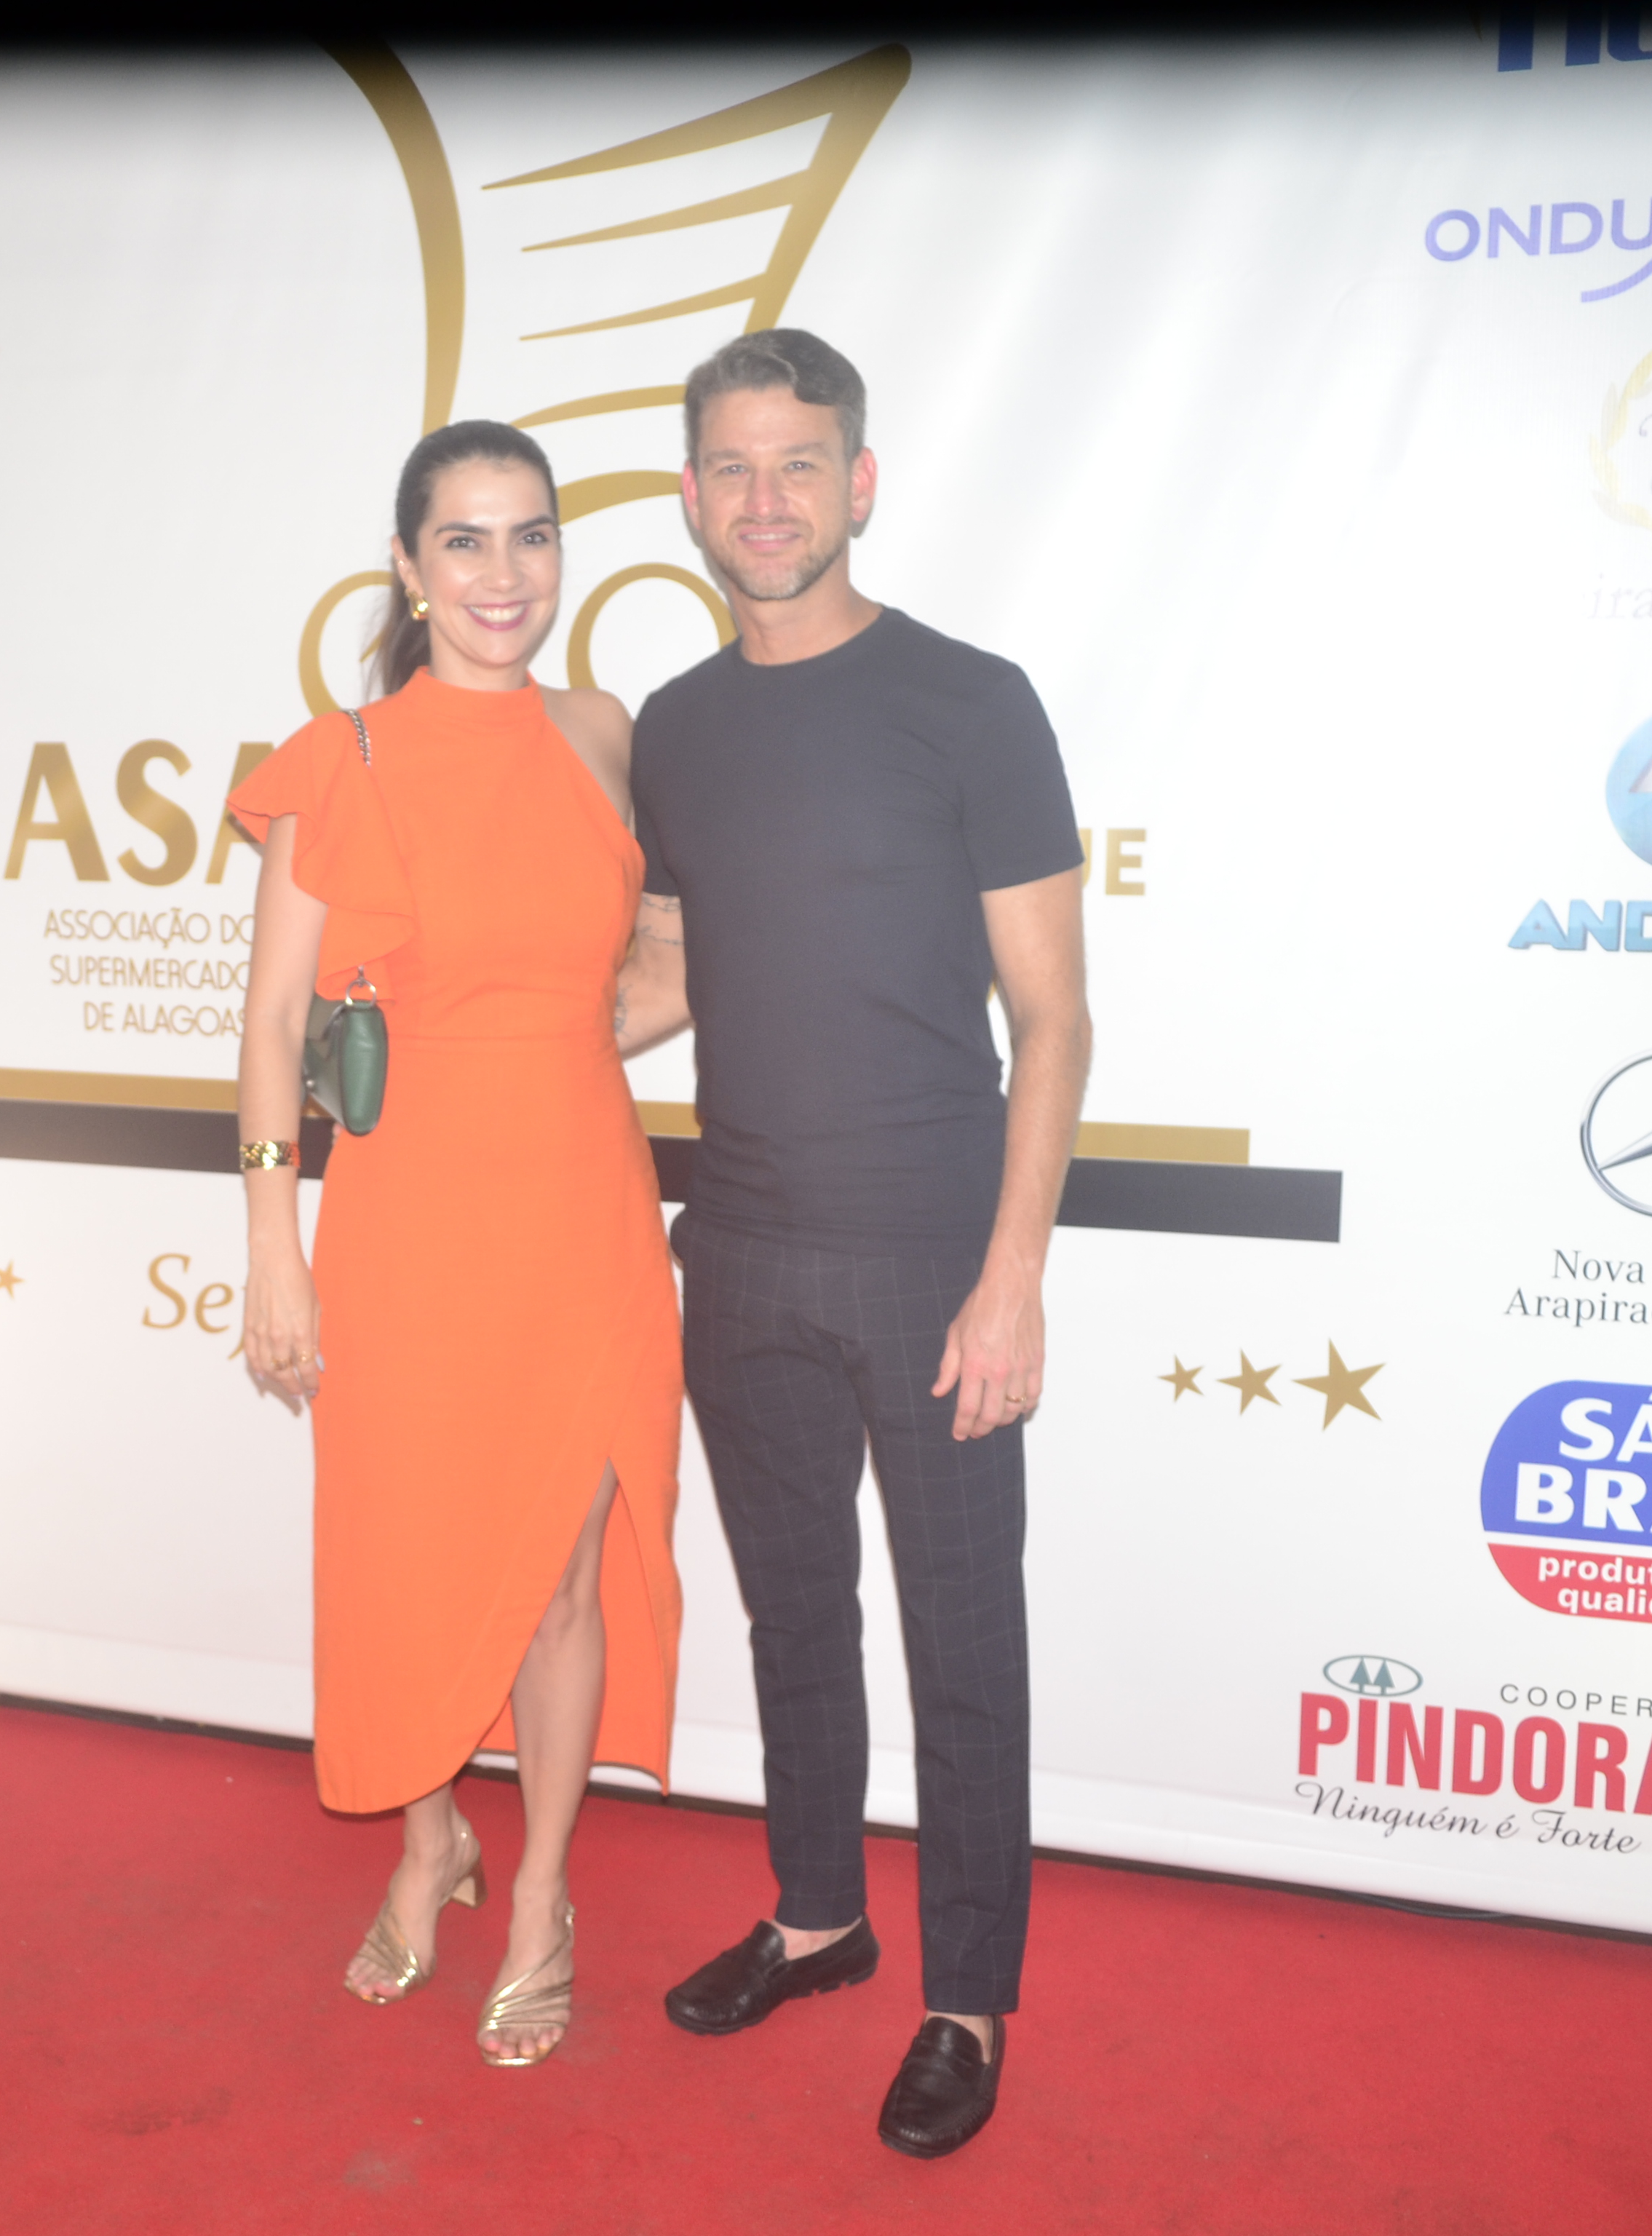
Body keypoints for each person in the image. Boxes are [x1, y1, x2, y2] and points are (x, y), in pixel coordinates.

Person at [614, 330, 1090, 2158]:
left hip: (932, 1257)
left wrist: (1013, 1274)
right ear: (691, 498)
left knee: (966, 1644)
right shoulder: (675, 727)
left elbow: (1054, 1020)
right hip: (736, 1248)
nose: (767, 499)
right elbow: (669, 969)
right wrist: (489, 1041)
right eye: (734, 468)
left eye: (799, 463)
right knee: (793, 1613)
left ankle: (966, 1998)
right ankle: (819, 1919)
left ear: (860, 483)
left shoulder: (973, 702)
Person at [229, 420, 684, 2068]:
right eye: (468, 541)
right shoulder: (339, 757)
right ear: (410, 570)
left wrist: (539, 1045)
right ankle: (433, 1845)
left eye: (533, 535)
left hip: (581, 1209)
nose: (506, 574)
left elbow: (668, 959)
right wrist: (275, 1243)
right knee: (403, 1550)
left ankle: (543, 1891)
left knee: (563, 1572)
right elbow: (273, 1022)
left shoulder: (606, 733)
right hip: (406, 1220)